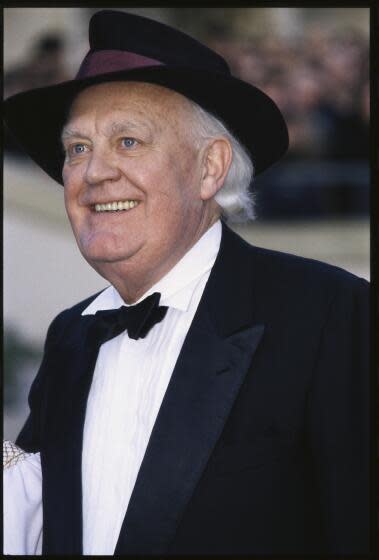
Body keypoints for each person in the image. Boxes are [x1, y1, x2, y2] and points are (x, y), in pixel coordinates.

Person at [4, 10, 369, 556]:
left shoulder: (332, 316)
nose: (93, 172)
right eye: (77, 148)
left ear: (210, 168)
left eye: (128, 141)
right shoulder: (70, 338)